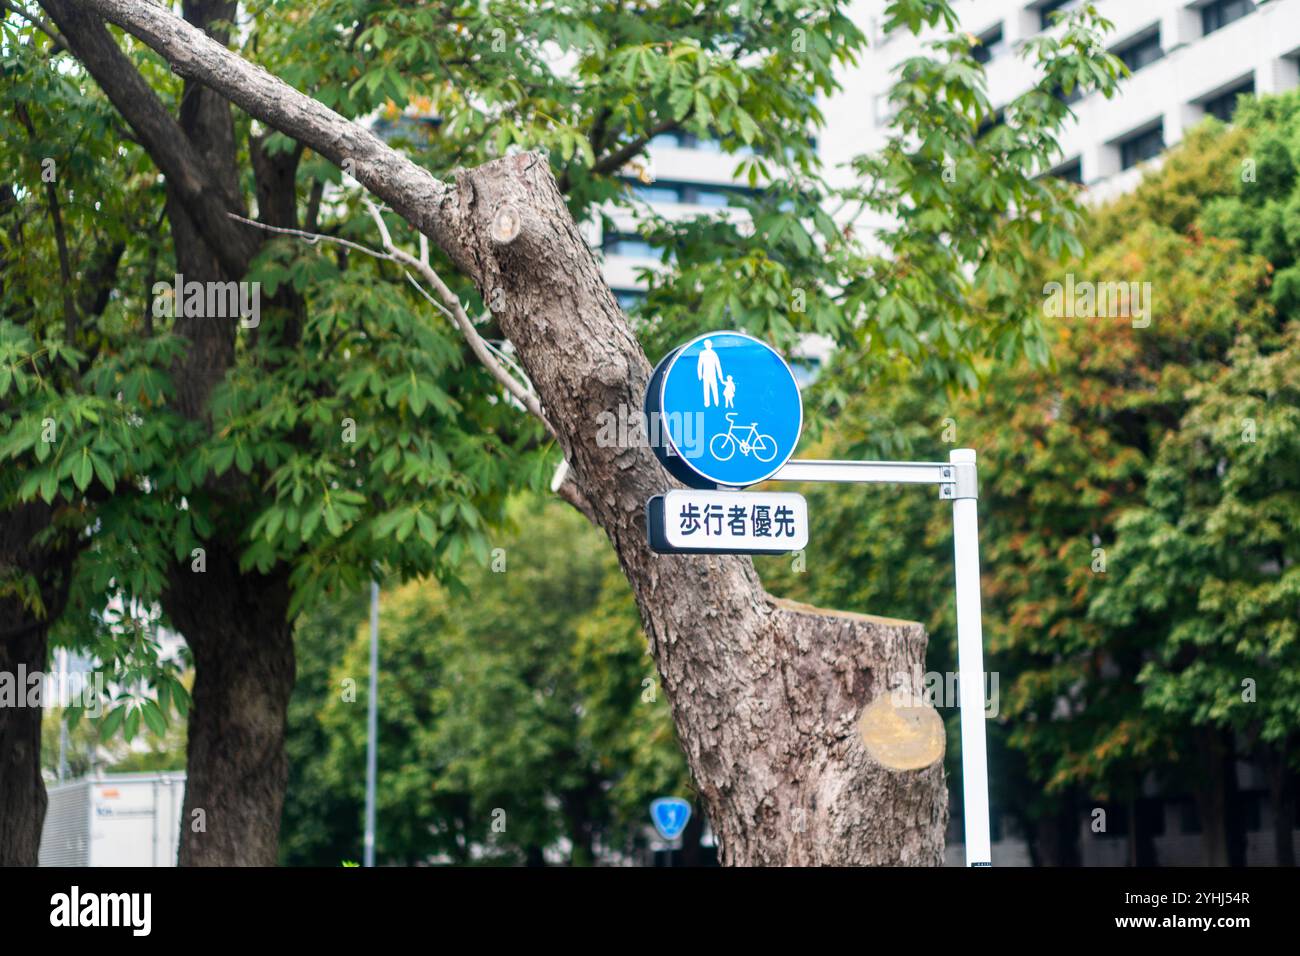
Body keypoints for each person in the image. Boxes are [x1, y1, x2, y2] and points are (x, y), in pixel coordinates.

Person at [696, 339, 723, 407]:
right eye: (707, 344)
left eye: (709, 344)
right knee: (706, 388)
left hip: (713, 374)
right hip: (705, 374)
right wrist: (700, 375)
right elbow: (700, 365)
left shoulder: (714, 353)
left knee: (714, 388)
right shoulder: (702, 353)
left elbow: (718, 365)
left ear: (711, 345)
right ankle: (707, 403)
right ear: (705, 345)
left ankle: (716, 402)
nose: (708, 346)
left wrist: (720, 376)